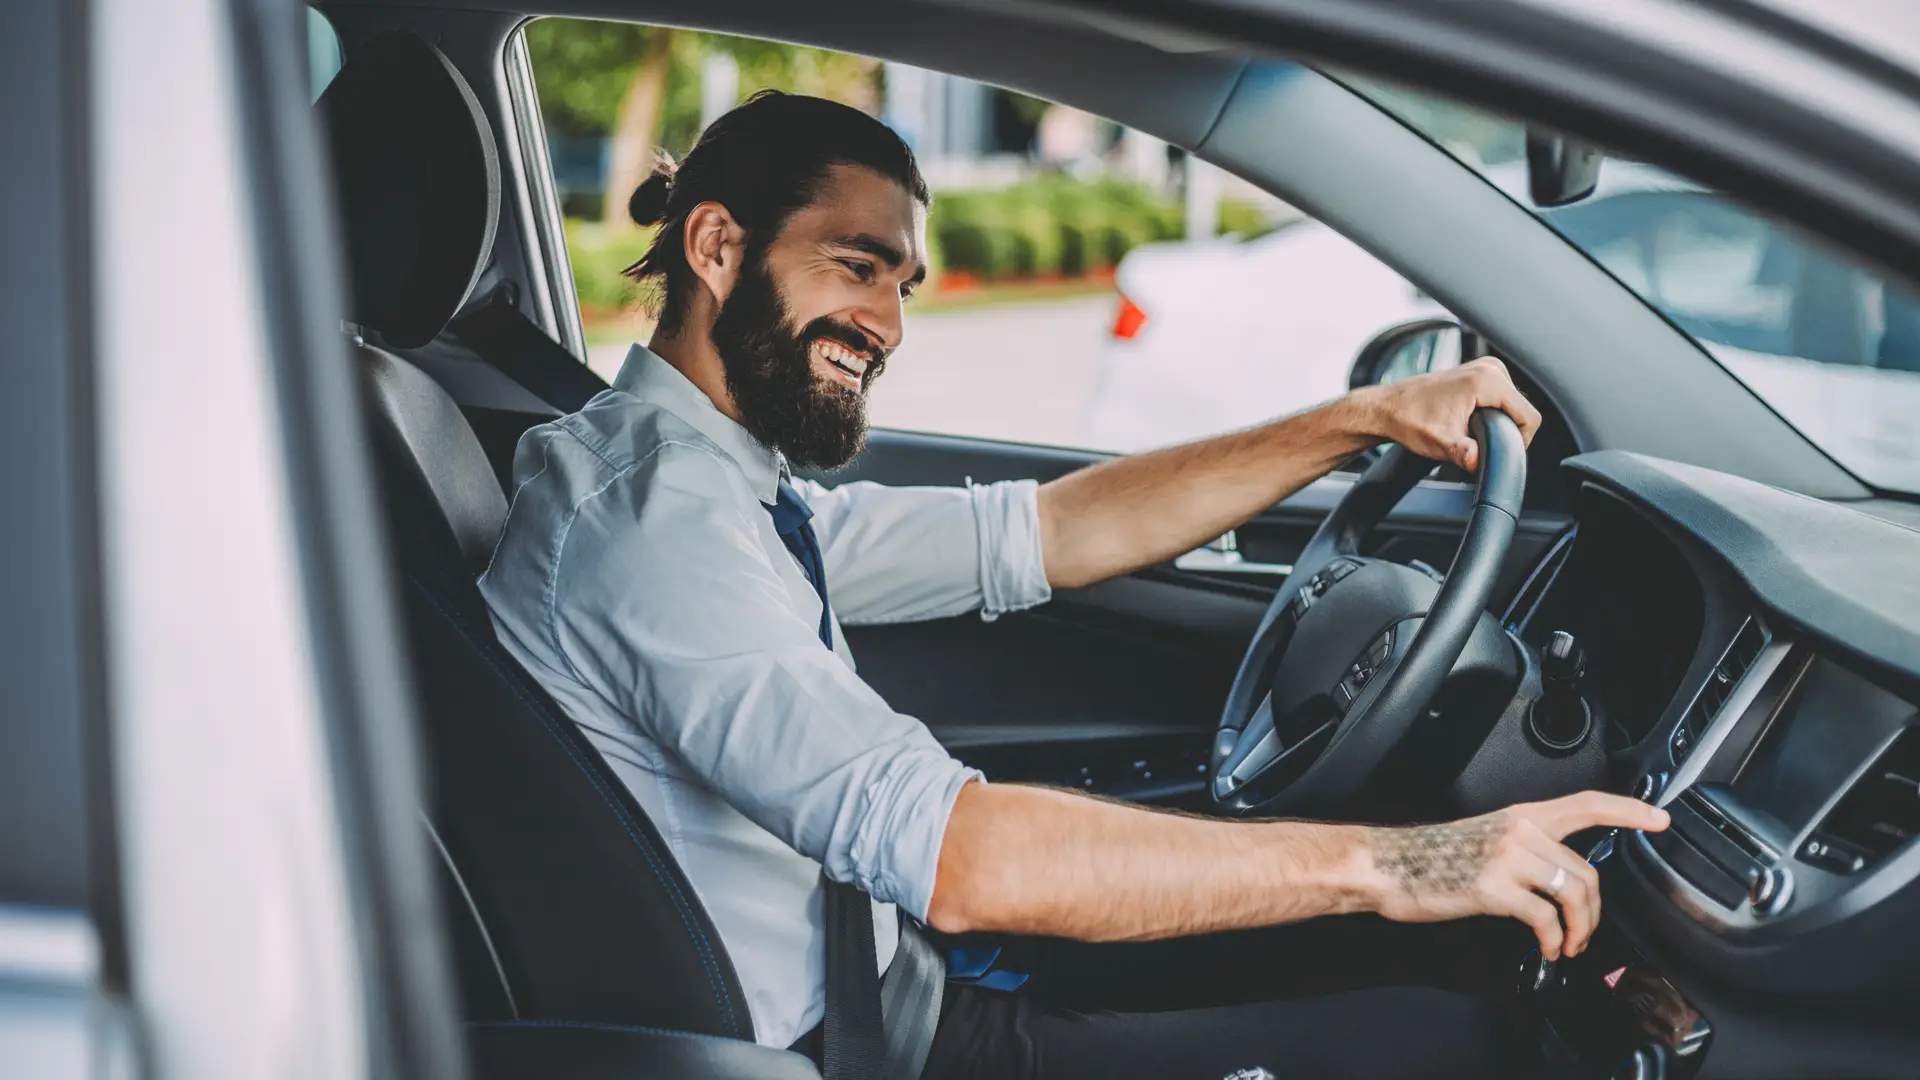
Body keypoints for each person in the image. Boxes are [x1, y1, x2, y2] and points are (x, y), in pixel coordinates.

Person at [478, 90, 1668, 1080]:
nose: (889, 324)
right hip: (866, 1046)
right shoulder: (650, 529)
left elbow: (1040, 531)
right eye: (858, 267)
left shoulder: (719, 487)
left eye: (905, 284)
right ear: (719, 247)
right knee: (1445, 1033)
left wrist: (1360, 420)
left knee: (1389, 967)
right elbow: (961, 857)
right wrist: (1408, 863)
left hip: (897, 985)